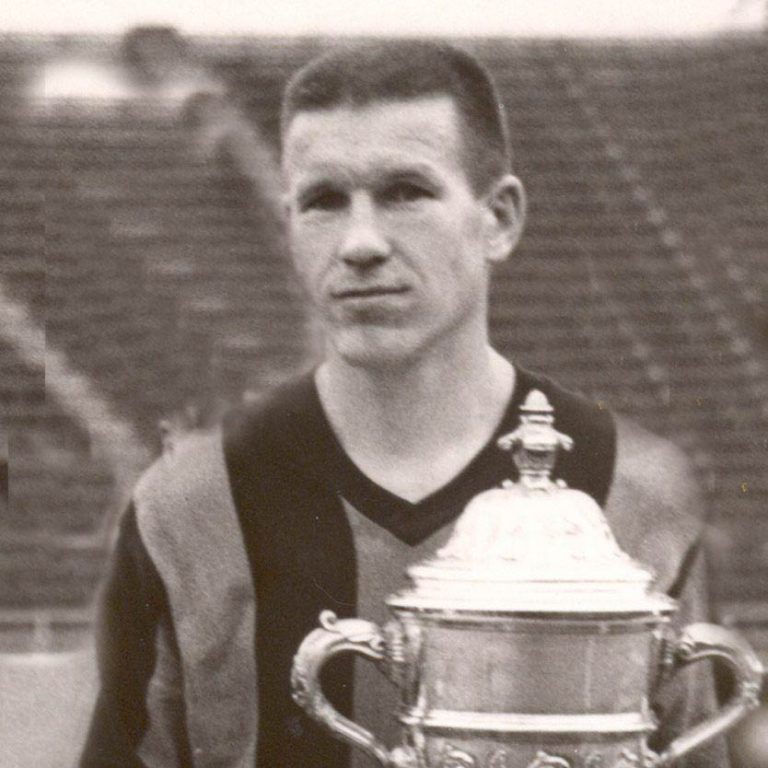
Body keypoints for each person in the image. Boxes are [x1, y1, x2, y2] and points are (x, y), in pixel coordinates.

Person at [80, 41, 728, 768]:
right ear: (289, 225)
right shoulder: (187, 504)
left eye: (405, 192)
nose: (360, 243)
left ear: (499, 218)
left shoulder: (633, 496)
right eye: (324, 201)